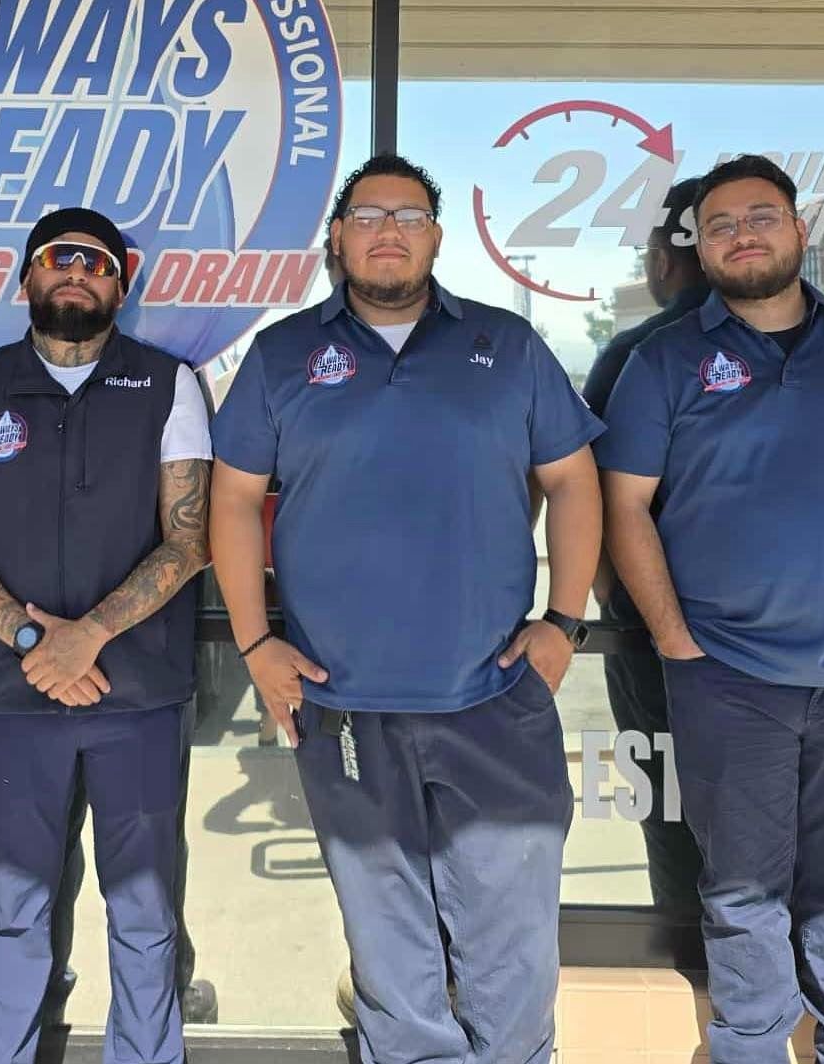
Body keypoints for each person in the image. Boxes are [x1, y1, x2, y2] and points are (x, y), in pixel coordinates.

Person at [209, 153, 604, 1063]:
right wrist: (255, 641)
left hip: (493, 696)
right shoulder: (281, 355)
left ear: (436, 236)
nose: (389, 230)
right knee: (390, 947)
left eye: (410, 215)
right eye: (369, 214)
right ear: (337, 238)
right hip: (341, 698)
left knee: (511, 948)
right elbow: (232, 502)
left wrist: (565, 619)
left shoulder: (507, 347)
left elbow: (573, 481)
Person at [597, 154, 824, 1063]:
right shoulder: (662, 361)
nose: (742, 234)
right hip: (728, 682)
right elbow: (622, 508)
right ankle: (752, 1046)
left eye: (762, 216)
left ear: (800, 232)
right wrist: (678, 644)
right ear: (701, 246)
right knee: (741, 897)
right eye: (721, 224)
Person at [0, 206, 212, 1064]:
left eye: (98, 261)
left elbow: (189, 537)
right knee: (14, 905)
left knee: (146, 908)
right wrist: (30, 638)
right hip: (17, 698)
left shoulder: (169, 383)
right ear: (27, 279)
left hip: (140, 695)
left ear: (122, 284)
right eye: (60, 257)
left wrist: (87, 636)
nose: (78, 271)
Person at [580, 176, 708, 916]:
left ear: (663, 257)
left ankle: (688, 959)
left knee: (670, 812)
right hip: (779, 640)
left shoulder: (634, 352)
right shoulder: (814, 341)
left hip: (646, 633)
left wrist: (608, 591)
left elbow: (577, 488)